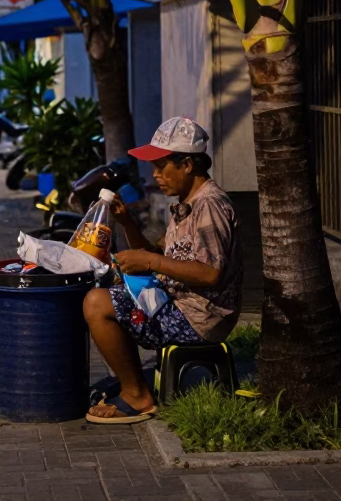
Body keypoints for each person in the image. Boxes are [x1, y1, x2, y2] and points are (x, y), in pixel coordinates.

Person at [83, 117, 243, 424]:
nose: (155, 176)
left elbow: (210, 274)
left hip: (199, 317)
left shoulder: (209, 205)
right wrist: (127, 223)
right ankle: (132, 383)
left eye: (161, 166)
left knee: (96, 303)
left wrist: (151, 264)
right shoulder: (188, 202)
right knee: (112, 292)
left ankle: (137, 395)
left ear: (187, 164)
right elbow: (160, 256)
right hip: (178, 305)